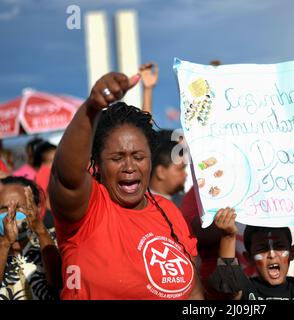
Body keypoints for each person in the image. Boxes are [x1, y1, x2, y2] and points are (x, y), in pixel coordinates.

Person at [48, 72, 203, 300]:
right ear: (98, 164)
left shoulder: (168, 211)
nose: (129, 166)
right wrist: (90, 109)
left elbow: (194, 291)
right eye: (117, 158)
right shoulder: (89, 208)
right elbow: (66, 178)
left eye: (139, 157)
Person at [207, 206, 294, 300]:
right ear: (249, 258)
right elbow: (229, 287)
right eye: (262, 249)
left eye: (279, 246)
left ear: (292, 252)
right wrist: (228, 237)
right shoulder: (247, 289)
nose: (272, 254)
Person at [0, 176, 61, 300]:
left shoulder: (54, 239)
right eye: (4, 209)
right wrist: (5, 244)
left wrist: (40, 231)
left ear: (36, 208)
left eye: (19, 207)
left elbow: (58, 281)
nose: (11, 213)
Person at [149, 129, 188, 208]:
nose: (185, 174)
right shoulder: (140, 204)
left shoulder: (187, 204)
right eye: (180, 169)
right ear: (161, 172)